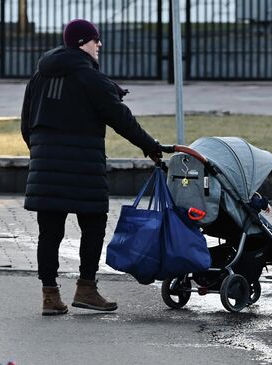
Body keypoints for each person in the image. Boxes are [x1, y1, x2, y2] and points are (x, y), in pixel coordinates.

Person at [20, 18, 162, 316]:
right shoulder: (89, 77)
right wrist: (151, 146)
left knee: (50, 232)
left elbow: (25, 124)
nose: (99, 45)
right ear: (82, 42)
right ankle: (86, 288)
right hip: (83, 166)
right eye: (95, 40)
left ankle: (50, 296)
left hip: (45, 166)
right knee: (94, 224)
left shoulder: (39, 76)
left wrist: (41, 154)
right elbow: (121, 118)